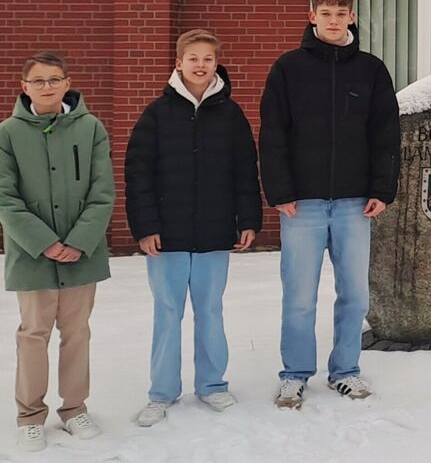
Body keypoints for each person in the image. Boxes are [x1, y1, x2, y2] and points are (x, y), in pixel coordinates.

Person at [260, 0, 401, 408]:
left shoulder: (371, 70)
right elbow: (272, 134)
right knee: (300, 296)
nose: (334, 20)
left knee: (355, 293)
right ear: (312, 16)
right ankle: (295, 374)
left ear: (352, 18)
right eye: (326, 12)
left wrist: (382, 189)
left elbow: (385, 135)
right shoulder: (288, 68)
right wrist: (280, 190)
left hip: (355, 203)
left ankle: (346, 371)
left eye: (341, 13)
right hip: (300, 203)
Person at [124, 30, 263, 426]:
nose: (200, 65)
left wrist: (248, 219)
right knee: (168, 312)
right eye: (193, 58)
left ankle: (212, 385)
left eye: (207, 58)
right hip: (166, 235)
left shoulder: (231, 114)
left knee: (210, 310)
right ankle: (162, 392)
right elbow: (138, 174)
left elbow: (244, 171)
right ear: (178, 63)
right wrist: (145, 226)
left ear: (216, 64)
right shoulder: (156, 114)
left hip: (215, 232)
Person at [0, 52, 114, 452]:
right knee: (33, 334)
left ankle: (74, 408)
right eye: (38, 81)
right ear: (24, 86)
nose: (46, 87)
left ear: (67, 83)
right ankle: (30, 415)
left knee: (77, 333)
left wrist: (78, 241)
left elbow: (102, 193)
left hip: (81, 254)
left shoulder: (92, 128)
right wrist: (44, 242)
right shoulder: (8, 133)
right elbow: (5, 197)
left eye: (54, 79)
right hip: (32, 256)